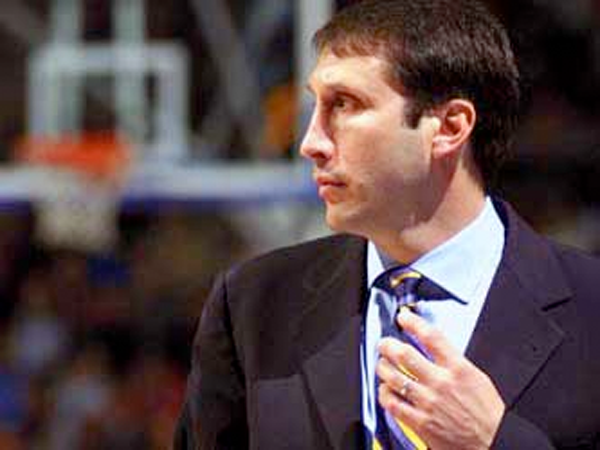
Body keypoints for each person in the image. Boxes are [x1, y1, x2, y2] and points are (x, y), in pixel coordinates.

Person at [174, 0, 600, 449]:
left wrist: (493, 441)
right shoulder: (252, 305)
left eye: (344, 104)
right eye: (316, 105)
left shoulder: (591, 308)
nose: (311, 143)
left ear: (450, 127)